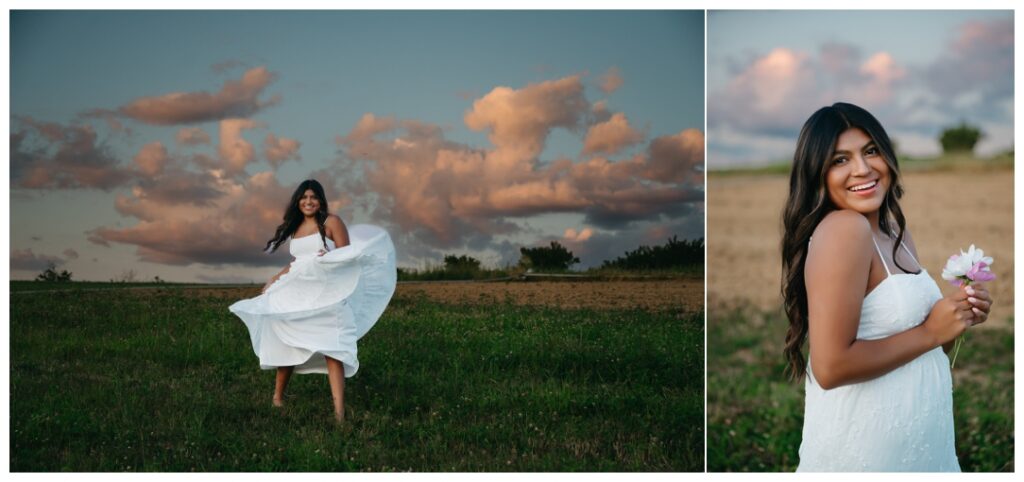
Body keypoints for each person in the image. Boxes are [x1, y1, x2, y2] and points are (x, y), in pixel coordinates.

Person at [780, 103, 993, 471]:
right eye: (839, 160)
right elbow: (830, 367)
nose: (862, 169)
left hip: (922, 439)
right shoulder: (844, 229)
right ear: (817, 173)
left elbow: (911, 345)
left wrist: (956, 317)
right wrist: (930, 332)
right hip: (869, 451)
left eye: (871, 151)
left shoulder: (896, 233)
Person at [229, 179, 396, 423]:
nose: (309, 201)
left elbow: (346, 256)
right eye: (304, 197)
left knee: (334, 348)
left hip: (328, 295)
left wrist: (330, 256)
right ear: (298, 201)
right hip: (300, 293)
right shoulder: (295, 228)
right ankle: (277, 399)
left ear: (320, 201)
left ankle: (339, 413)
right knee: (287, 341)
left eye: (313, 197)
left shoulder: (331, 222)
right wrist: (274, 279)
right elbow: (297, 262)